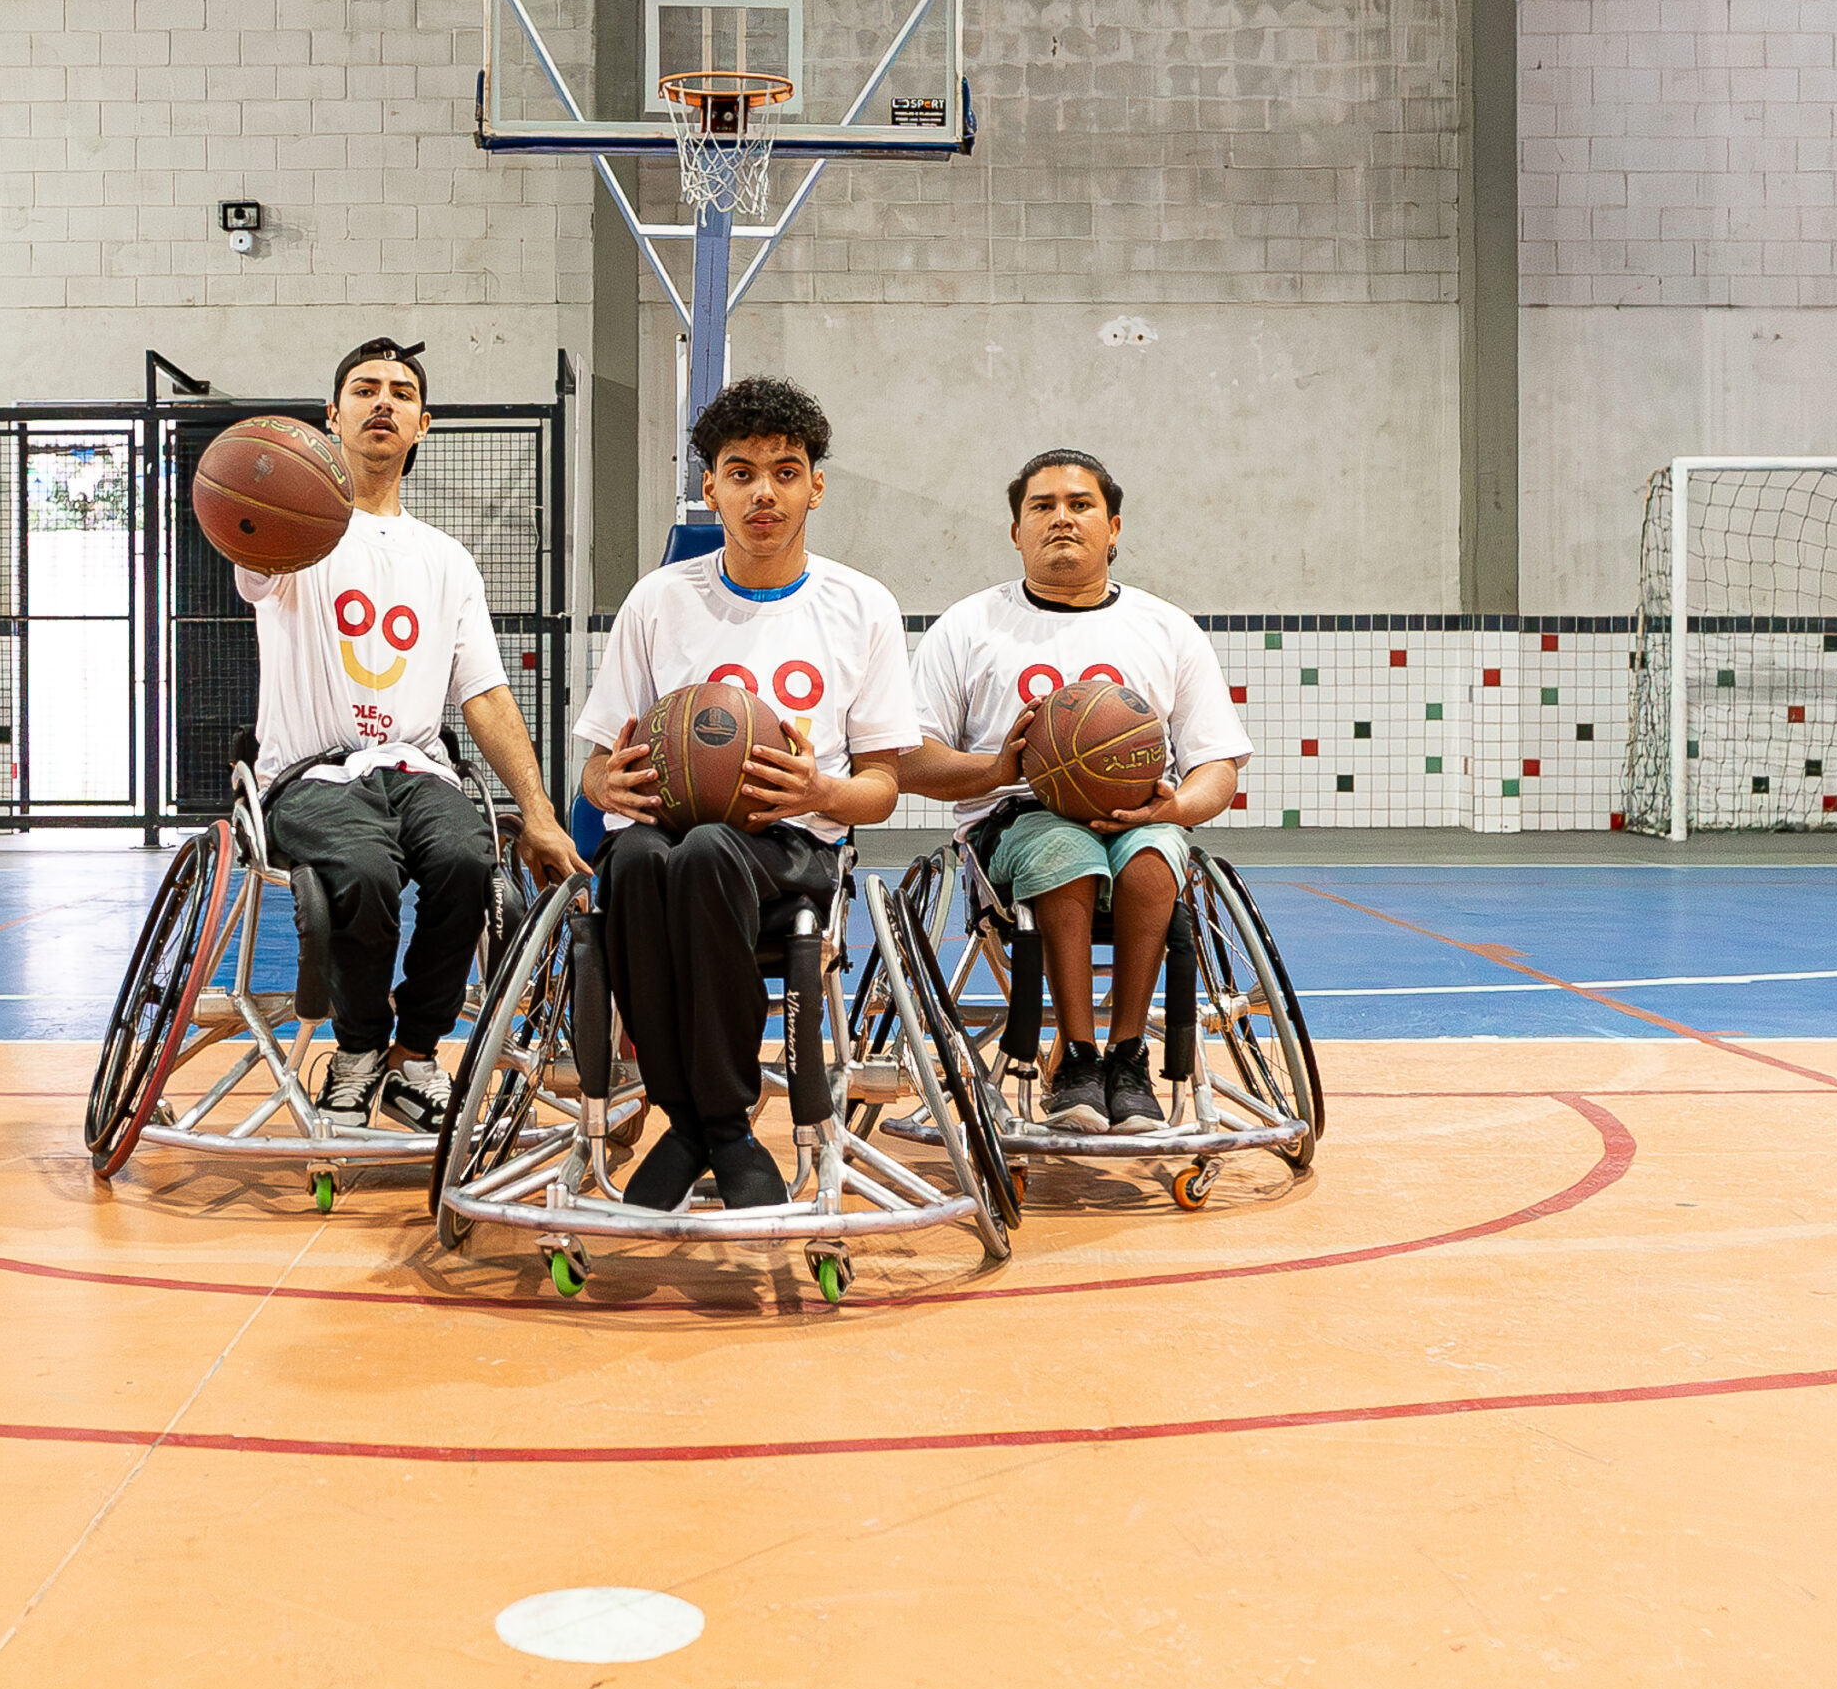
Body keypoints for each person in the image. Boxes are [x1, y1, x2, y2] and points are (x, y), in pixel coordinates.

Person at [576, 377, 919, 1211]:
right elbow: (593, 767)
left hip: (794, 848)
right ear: (711, 489)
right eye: (741, 472)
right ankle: (709, 1127)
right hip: (666, 836)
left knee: (703, 854)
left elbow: (882, 791)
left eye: (785, 470)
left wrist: (820, 787)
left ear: (816, 485)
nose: (764, 491)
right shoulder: (660, 600)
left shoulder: (861, 605)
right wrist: (604, 780)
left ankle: (708, 1125)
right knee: (642, 860)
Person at [238, 336, 588, 1133]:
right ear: (333, 417)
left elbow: (488, 697)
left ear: (423, 424)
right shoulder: (293, 533)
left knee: (469, 861)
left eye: (400, 392)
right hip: (310, 775)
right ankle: (358, 1051)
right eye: (364, 389)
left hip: (417, 769)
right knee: (362, 869)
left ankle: (414, 1056)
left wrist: (535, 810)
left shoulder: (448, 560)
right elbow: (247, 548)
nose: (383, 402)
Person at [901, 448, 1251, 1133]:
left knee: (1156, 853)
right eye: (1042, 506)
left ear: (1113, 527)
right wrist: (998, 771)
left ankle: (1127, 1058)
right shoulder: (969, 627)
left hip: (1139, 818)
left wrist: (1176, 806)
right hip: (1015, 823)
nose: (1061, 518)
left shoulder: (1167, 627)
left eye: (1080, 504)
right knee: (1063, 847)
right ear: (1016, 531)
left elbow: (1218, 768)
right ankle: (1076, 1059)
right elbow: (911, 763)